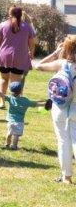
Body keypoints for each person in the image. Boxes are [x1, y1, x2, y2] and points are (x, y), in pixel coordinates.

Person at [34, 37, 76, 183]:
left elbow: (39, 65)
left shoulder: (61, 64)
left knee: (63, 141)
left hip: (60, 106)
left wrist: (55, 52)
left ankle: (67, 177)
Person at [0, 5, 36, 110]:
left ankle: (2, 102)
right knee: (16, 82)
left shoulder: (3, 25)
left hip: (4, 56)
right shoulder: (27, 26)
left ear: (9, 14)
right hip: (20, 57)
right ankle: (15, 103)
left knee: (3, 78)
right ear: (21, 14)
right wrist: (31, 52)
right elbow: (32, 42)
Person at [0, 80, 40, 151]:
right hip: (19, 122)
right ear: (21, 91)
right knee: (16, 135)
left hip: (10, 121)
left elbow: (1, 95)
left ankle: (7, 144)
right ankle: (14, 146)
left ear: (10, 91)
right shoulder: (25, 100)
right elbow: (35, 104)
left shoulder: (10, 98)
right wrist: (46, 104)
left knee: (9, 133)